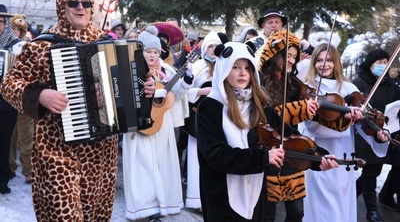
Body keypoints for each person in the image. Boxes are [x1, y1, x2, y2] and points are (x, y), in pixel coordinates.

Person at [0, 0, 155, 220]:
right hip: (56, 152)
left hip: (101, 155)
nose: (80, 7)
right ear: (62, 5)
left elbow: (136, 83)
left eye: (85, 2)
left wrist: (145, 89)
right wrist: (40, 95)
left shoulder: (109, 42)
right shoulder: (42, 45)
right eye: (73, 2)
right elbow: (8, 84)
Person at [196, 41, 337, 221]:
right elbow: (215, 154)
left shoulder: (259, 104)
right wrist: (263, 158)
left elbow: (286, 134)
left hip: (255, 193)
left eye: (247, 68)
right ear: (223, 69)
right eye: (235, 67)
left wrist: (319, 156)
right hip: (221, 196)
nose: (242, 73)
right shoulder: (210, 107)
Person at [297, 43, 387, 222]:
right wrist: (339, 118)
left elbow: (364, 125)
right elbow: (304, 125)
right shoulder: (306, 89)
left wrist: (377, 133)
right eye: (320, 60)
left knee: (339, 207)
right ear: (313, 62)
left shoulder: (348, 88)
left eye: (329, 60)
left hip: (343, 158)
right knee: (319, 208)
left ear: (336, 63)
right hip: (318, 157)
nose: (325, 65)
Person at [122, 26, 193, 221]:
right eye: (148, 51)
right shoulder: (130, 69)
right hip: (139, 123)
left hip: (162, 124)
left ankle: (165, 203)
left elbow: (177, 94)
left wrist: (187, 79)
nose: (152, 55)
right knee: (142, 164)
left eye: (155, 52)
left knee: (162, 164)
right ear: (140, 52)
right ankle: (143, 208)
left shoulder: (167, 70)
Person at [258, 30, 320, 222]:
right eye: (288, 55)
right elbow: (268, 114)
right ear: (275, 54)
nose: (292, 60)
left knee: (296, 213)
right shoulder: (259, 80)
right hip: (268, 147)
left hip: (292, 148)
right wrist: (299, 108)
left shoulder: (293, 82)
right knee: (267, 213)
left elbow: (312, 113)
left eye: (295, 56)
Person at [352, 49, 400, 221]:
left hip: (383, 132)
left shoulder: (390, 84)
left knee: (374, 171)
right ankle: (372, 212)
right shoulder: (360, 82)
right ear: (370, 64)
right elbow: (356, 105)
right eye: (379, 62)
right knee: (371, 171)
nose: (383, 65)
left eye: (385, 62)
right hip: (365, 133)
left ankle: (350, 195)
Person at [183, 30, 222, 211]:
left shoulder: (223, 65)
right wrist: (201, 92)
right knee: (195, 158)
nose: (213, 50)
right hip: (198, 118)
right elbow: (183, 92)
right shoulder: (196, 66)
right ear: (204, 48)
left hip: (219, 119)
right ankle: (195, 199)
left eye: (216, 46)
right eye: (210, 46)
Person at [0, 4, 23, 194]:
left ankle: (2, 178)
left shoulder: (17, 46)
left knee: (5, 141)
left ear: (6, 24)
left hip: (7, 102)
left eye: (0, 22)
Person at [9, 13, 33, 183]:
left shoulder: (28, 47)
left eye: (19, 29)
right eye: (13, 29)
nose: (16, 32)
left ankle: (29, 171)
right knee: (10, 137)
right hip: (8, 99)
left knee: (27, 137)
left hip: (25, 99)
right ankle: (10, 168)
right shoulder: (5, 47)